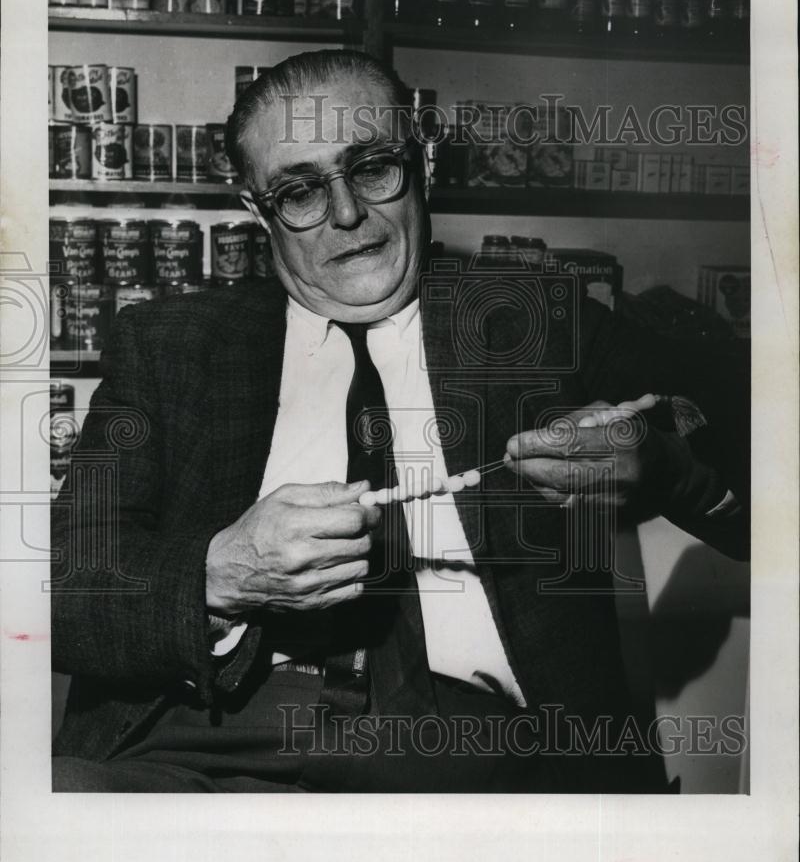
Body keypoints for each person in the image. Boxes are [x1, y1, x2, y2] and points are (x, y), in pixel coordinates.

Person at [51, 49, 749, 793]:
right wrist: (220, 574)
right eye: (299, 191)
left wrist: (669, 469)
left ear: (425, 160)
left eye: (374, 168)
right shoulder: (171, 346)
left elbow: (757, 449)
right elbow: (63, 589)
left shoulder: (538, 321)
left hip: (482, 770)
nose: (347, 214)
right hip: (201, 754)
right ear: (256, 210)